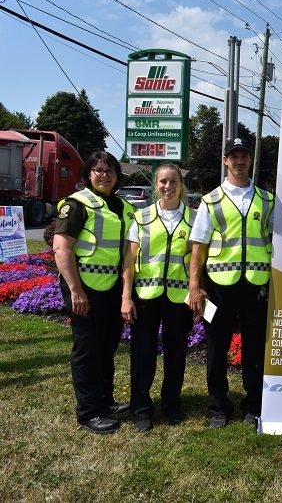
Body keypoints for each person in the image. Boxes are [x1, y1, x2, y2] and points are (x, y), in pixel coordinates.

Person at [188, 137, 274, 429]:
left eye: (243, 155)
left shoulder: (266, 199)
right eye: (233, 156)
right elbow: (198, 247)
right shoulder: (210, 201)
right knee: (216, 347)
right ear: (225, 161)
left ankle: (253, 404)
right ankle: (218, 406)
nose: (239, 161)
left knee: (254, 348)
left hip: (256, 286)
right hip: (219, 286)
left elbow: (279, 240)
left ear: (250, 160)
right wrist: (194, 286)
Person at [53, 151, 135, 434]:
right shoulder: (77, 205)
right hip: (84, 288)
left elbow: (127, 254)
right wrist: (75, 290)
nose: (104, 175)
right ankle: (88, 412)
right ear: (88, 174)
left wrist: (126, 291)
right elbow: (61, 248)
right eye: (98, 170)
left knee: (107, 346)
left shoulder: (124, 207)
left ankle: (106, 401)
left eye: (110, 170)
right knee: (87, 350)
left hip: (111, 289)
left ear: (117, 176)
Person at [121, 163, 195, 431]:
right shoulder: (140, 218)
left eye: (173, 181)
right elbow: (128, 262)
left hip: (179, 298)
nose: (168, 186)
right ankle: (141, 408)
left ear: (180, 185)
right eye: (163, 181)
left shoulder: (194, 218)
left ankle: (172, 404)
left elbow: (199, 262)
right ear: (156, 185)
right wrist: (126, 297)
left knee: (176, 354)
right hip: (145, 296)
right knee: (143, 355)